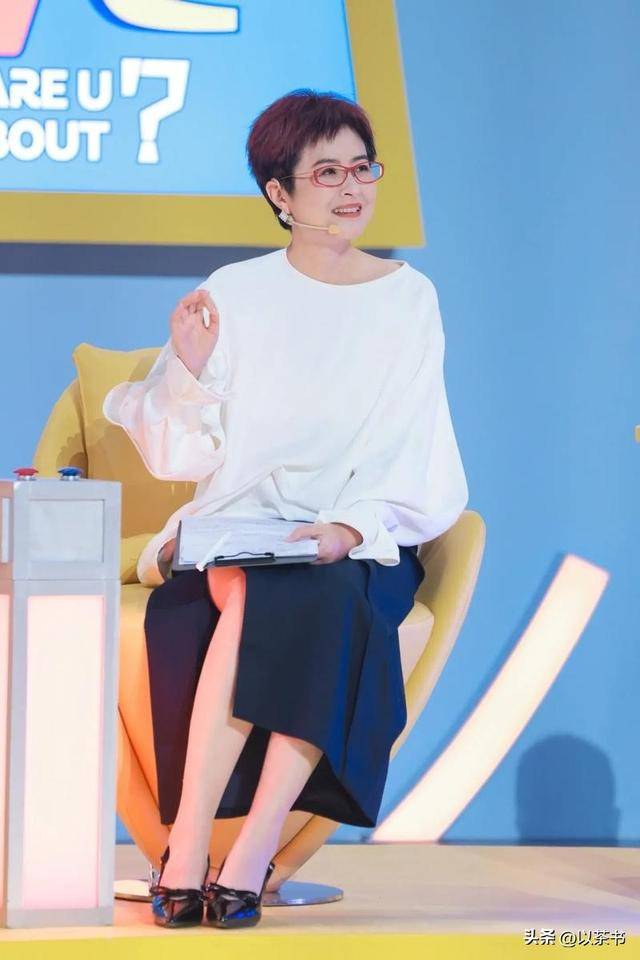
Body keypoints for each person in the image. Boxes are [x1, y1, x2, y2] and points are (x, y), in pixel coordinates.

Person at [103, 88, 468, 929]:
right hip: (246, 530)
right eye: (326, 172)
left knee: (313, 592)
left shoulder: (408, 298)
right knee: (252, 583)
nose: (351, 188)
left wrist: (348, 528)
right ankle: (206, 850)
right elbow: (179, 457)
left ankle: (228, 849)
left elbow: (414, 444)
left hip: (360, 537)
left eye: (362, 168)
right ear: (280, 193)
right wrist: (191, 370)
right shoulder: (236, 291)